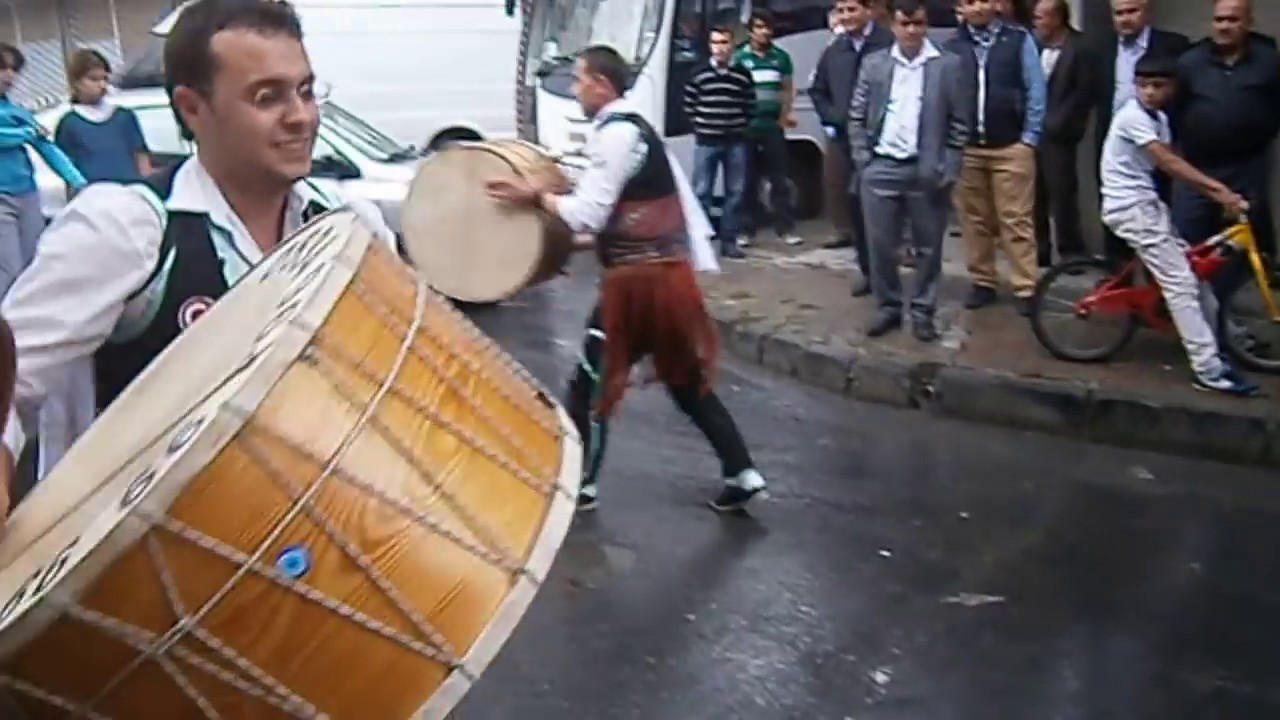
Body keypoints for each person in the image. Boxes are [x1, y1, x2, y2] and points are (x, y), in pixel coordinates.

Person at [0, 0, 395, 525]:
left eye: (305, 90)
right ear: (192, 109)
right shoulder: (127, 226)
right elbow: (15, 375)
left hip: (331, 540)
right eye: (267, 97)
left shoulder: (350, 222)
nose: (300, 116)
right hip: (155, 570)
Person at [485, 45, 768, 514]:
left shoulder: (618, 135)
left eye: (580, 80)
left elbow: (587, 214)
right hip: (660, 279)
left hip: (640, 287)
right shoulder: (629, 131)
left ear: (601, 84)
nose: (576, 90)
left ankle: (583, 487)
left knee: (591, 384)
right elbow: (618, 218)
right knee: (684, 380)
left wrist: (536, 197)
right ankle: (742, 472)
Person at [1099, 54, 1257, 397]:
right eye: (1143, 85)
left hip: (1147, 206)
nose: (1150, 93)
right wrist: (1219, 192)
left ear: (1172, 88)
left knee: (1197, 278)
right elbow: (1168, 162)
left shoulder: (1158, 119)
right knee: (1181, 284)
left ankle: (1216, 347)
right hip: (1130, 208)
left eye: (1158, 86)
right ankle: (1208, 370)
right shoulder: (1132, 117)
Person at [849, 0, 969, 342]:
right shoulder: (875, 64)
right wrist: (863, 159)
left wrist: (949, 164)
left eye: (918, 24)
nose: (912, 31)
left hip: (926, 168)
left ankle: (922, 311)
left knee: (929, 247)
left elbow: (959, 122)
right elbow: (856, 116)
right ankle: (888, 306)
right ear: (894, 26)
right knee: (881, 244)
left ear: (926, 24)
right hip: (880, 167)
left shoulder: (947, 65)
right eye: (906, 24)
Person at [947, 0, 1047, 317]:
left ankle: (1026, 286)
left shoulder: (1018, 39)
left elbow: (1036, 90)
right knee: (974, 220)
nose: (975, 8)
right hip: (968, 147)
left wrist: (1030, 138)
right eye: (966, 2)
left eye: (980, 0)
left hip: (1011, 146)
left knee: (1015, 219)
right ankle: (983, 281)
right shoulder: (951, 45)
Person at [809, 0, 892, 288]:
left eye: (852, 9)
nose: (846, 16)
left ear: (868, 10)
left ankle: (888, 275)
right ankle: (869, 272)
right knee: (855, 208)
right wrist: (833, 118)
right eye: (841, 11)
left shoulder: (887, 44)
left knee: (885, 212)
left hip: (883, 142)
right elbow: (818, 91)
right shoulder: (836, 50)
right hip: (846, 143)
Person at [0, 43, 86, 297]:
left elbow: (47, 147)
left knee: (34, 267)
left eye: (13, 69)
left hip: (26, 193)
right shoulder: (20, 125)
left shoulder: (17, 112)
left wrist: (77, 180)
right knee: (9, 270)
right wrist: (24, 134)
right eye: (2, 68)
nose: (9, 76)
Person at [683, 25, 754, 260]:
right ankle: (701, 245)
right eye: (716, 43)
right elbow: (689, 104)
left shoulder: (742, 74)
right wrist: (701, 125)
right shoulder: (698, 73)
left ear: (732, 45)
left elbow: (749, 103)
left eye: (724, 42)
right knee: (701, 192)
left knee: (735, 193)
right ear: (709, 46)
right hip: (706, 141)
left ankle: (729, 243)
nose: (720, 48)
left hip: (735, 141)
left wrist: (740, 125)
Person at [733, 10, 803, 248]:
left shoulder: (781, 57)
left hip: (772, 127)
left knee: (779, 180)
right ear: (751, 31)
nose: (764, 32)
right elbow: (736, 91)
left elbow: (786, 90)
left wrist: (783, 118)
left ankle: (785, 229)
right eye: (759, 27)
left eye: (767, 28)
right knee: (748, 181)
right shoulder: (740, 58)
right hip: (748, 128)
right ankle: (746, 230)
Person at [55, 48, 154, 188]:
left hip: (130, 193)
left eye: (105, 79)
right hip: (94, 198)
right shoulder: (69, 124)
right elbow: (67, 169)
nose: (101, 85)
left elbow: (142, 159)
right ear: (76, 82)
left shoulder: (123, 116)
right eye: (93, 79)